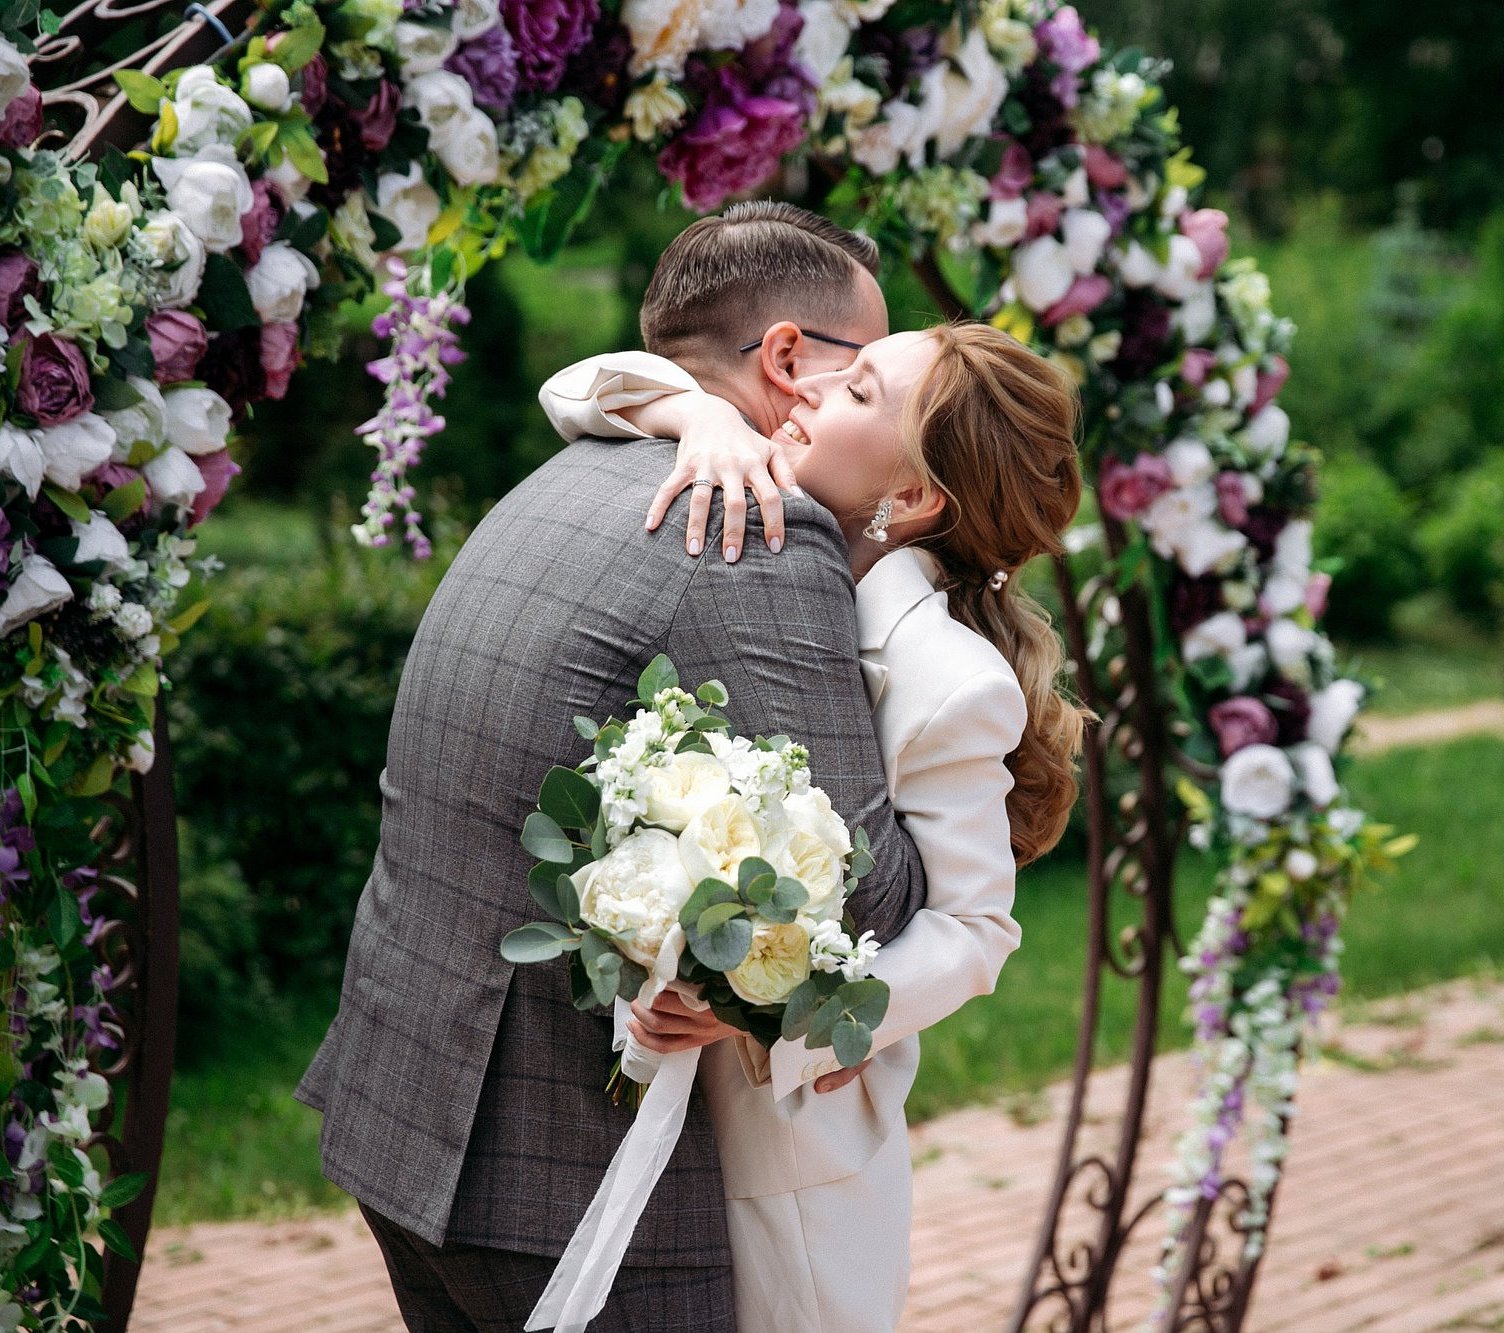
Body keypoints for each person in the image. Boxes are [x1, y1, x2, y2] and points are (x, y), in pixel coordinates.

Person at [296, 201, 927, 1333]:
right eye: (863, 366)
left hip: (403, 1099)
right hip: (559, 1176)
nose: (869, 390)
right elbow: (867, 900)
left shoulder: (567, 476)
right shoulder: (756, 534)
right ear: (786, 358)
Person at [535, 319, 1087, 1331]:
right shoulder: (767, 515)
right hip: (670, 1120)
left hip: (801, 1157)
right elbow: (575, 386)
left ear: (913, 499)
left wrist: (769, 1012)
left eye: (861, 390)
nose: (810, 386)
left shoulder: (945, 680)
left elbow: (976, 933)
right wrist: (697, 414)